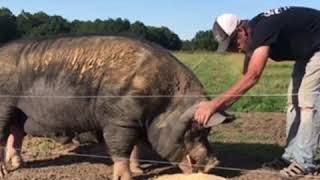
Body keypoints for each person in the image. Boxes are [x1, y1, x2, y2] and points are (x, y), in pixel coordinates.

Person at [194, 6, 320, 178]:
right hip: (309, 50)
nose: (235, 49)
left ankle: (305, 162)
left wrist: (214, 104)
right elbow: (245, 76)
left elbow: (253, 77)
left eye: (233, 43)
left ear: (242, 31)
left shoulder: (262, 31)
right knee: (293, 101)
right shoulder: (252, 35)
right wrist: (222, 105)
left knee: (307, 101)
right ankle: (290, 157)